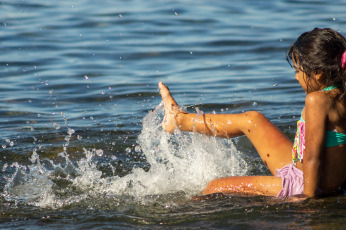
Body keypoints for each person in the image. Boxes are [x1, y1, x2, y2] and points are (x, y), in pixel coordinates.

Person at [158, 28, 346, 198]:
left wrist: (308, 199)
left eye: (298, 71)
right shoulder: (340, 95)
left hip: (303, 184)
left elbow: (313, 158)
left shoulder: (317, 101)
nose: (296, 77)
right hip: (301, 172)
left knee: (215, 186)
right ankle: (179, 120)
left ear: (318, 73)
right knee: (252, 120)